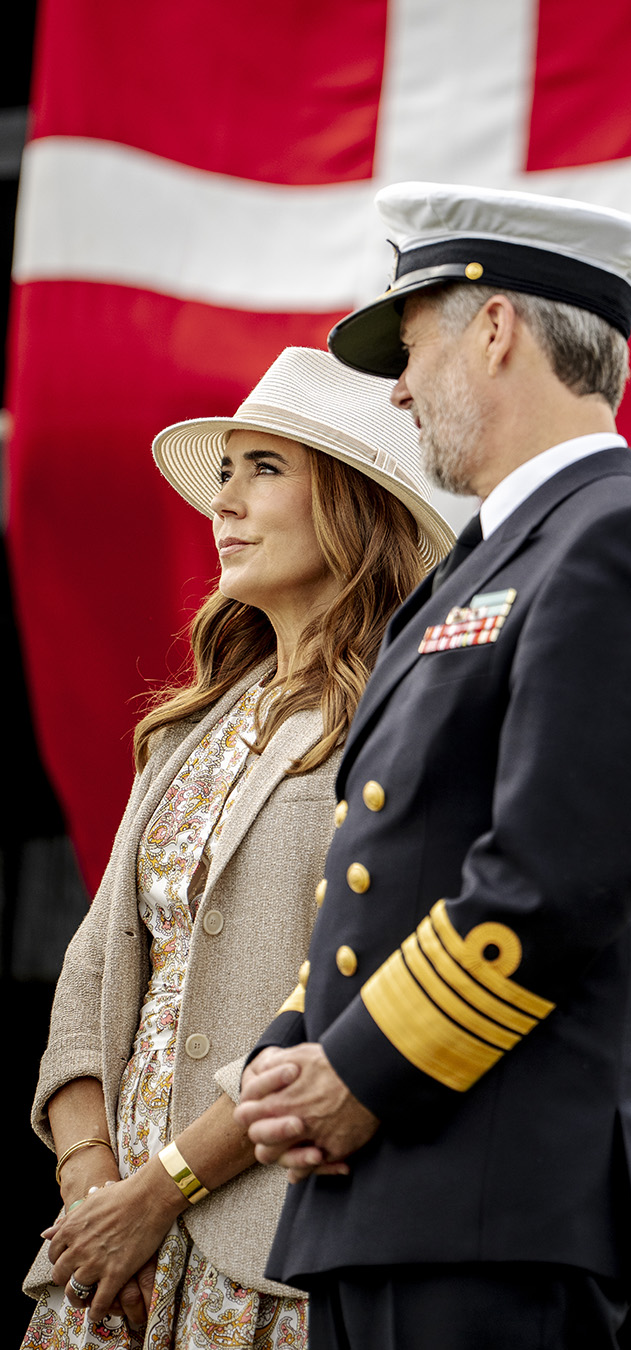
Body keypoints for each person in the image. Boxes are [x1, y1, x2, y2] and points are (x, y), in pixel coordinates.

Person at [236, 183, 631, 1349]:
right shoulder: (478, 572)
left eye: (409, 349)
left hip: (493, 1205)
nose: (398, 389)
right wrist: (289, 1057)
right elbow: (392, 867)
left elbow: (552, 880)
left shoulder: (619, 539)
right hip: (382, 1204)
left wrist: (352, 1073)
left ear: (496, 328)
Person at [22, 345, 454, 1350]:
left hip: (268, 1245)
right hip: (107, 1256)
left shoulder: (408, 720)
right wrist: (92, 1185)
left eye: (265, 469)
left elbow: (352, 999)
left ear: (353, 503)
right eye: (226, 472)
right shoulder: (184, 731)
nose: (226, 502)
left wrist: (159, 1194)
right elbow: (91, 973)